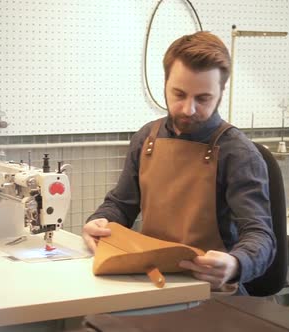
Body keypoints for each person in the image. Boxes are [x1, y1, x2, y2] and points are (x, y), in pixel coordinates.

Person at [82, 31, 276, 295]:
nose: (188, 109)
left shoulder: (238, 153)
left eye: (203, 98)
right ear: (165, 83)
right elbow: (121, 205)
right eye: (179, 94)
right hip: (150, 282)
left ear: (221, 91)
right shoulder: (146, 139)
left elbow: (260, 235)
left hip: (210, 294)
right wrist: (101, 222)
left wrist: (235, 263)